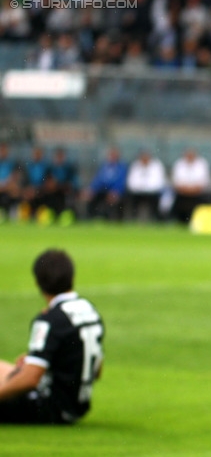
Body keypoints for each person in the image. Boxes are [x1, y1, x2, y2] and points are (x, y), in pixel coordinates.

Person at [0, 249, 105, 424]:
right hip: (78, 405)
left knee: (12, 378)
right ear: (71, 278)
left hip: (51, 406)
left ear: (38, 283)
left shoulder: (50, 320)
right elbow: (97, 369)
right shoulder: (89, 310)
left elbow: (30, 379)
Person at [81, 147, 127, 221]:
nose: (112, 157)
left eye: (114, 155)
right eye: (111, 155)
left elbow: (121, 182)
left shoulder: (122, 167)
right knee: (91, 197)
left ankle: (112, 220)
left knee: (113, 200)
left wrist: (116, 191)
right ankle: (91, 219)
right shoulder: (104, 166)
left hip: (114, 191)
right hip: (102, 190)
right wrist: (91, 189)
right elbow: (98, 180)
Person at [170, 148, 211, 224]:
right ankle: (175, 220)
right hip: (182, 193)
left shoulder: (202, 164)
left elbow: (203, 183)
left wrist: (191, 190)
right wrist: (187, 190)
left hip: (198, 193)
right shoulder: (179, 164)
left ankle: (202, 220)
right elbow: (177, 183)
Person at [125, 150, 167, 221]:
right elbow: (131, 182)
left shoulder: (156, 166)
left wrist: (146, 188)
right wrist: (140, 188)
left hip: (152, 192)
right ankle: (133, 218)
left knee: (157, 198)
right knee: (130, 197)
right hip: (137, 192)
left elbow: (159, 182)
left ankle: (156, 218)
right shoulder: (135, 165)